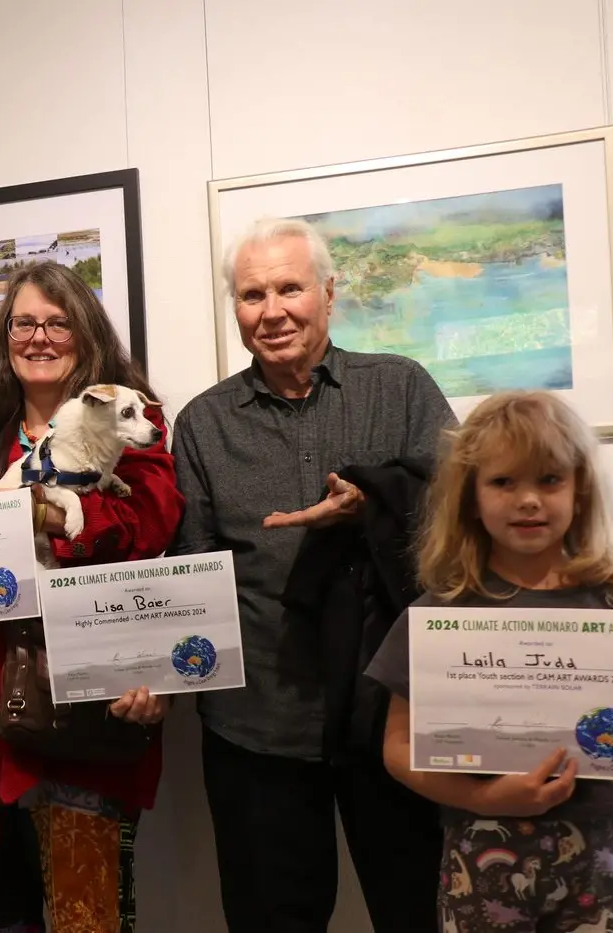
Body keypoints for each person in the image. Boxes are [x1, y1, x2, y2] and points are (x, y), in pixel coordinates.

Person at [168, 216, 456, 931]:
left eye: (290, 288)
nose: (272, 312)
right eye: (251, 294)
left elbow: (464, 516)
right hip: (255, 723)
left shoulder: (402, 387)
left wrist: (377, 501)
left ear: (329, 292)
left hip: (393, 715)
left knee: (419, 910)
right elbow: (190, 569)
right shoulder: (203, 424)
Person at [0, 261, 183, 933]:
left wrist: (43, 511)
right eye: (23, 322)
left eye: (57, 322)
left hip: (86, 720)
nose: (39, 337)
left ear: (84, 332)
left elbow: (147, 524)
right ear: (4, 337)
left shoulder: (129, 422)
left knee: (86, 921)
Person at [367, 391, 613, 932]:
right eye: (504, 482)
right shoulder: (441, 613)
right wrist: (486, 794)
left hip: (603, 855)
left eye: (550, 479)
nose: (528, 500)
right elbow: (397, 746)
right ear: (471, 498)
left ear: (580, 492)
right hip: (481, 851)